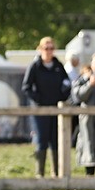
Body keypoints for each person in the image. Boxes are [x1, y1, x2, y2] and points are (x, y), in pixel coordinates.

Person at [21, 36, 71, 178]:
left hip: (56, 109)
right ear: (40, 49)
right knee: (42, 140)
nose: (49, 51)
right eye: (46, 48)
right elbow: (26, 87)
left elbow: (67, 83)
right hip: (40, 110)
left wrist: (63, 97)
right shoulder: (35, 66)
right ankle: (40, 174)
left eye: (51, 48)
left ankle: (56, 173)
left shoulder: (58, 66)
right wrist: (38, 99)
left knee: (56, 140)